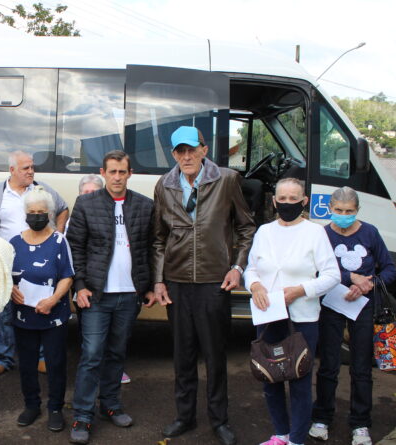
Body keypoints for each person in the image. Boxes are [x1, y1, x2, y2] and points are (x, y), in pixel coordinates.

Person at [152, 126, 255, 445]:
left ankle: (219, 420)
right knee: (182, 356)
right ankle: (184, 416)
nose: (186, 156)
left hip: (215, 282)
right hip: (178, 282)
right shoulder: (164, 185)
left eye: (191, 150)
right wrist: (158, 280)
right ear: (173, 154)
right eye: (179, 151)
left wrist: (237, 266)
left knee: (214, 355)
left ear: (204, 149)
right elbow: (158, 238)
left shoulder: (226, 180)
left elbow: (246, 228)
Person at [67, 150, 155, 444]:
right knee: (92, 355)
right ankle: (82, 415)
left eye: (122, 172)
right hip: (96, 294)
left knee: (117, 353)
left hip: (130, 295)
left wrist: (151, 285)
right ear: (103, 173)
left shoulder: (144, 206)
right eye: (112, 172)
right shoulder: (86, 203)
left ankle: (111, 405)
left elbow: (150, 249)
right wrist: (79, 285)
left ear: (130, 174)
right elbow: (75, 246)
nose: (117, 177)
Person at [244, 178, 341, 445]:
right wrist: (254, 285)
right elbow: (251, 267)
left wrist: (301, 290)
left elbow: (332, 275)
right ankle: (280, 433)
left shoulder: (315, 233)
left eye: (293, 198)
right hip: (268, 316)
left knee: (299, 379)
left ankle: (297, 438)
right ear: (274, 201)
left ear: (304, 201)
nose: (287, 203)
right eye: (282, 199)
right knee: (270, 377)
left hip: (302, 318)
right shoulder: (264, 231)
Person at [310, 186, 396, 445]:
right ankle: (322, 418)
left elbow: (390, 269)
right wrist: (350, 279)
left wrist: (367, 284)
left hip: (363, 307)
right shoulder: (322, 234)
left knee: (361, 367)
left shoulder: (370, 233)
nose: (344, 215)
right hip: (331, 305)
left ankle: (360, 424)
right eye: (338, 210)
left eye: (349, 211)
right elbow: (314, 270)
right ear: (330, 209)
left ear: (357, 210)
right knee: (328, 365)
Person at [0, 150, 69, 377]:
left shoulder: (42, 189)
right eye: (25, 168)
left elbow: (63, 209)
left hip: (36, 260)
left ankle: (41, 357)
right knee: (2, 309)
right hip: (5, 261)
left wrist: (56, 235)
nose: (31, 171)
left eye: (32, 167)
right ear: (12, 170)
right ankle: (3, 357)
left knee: (37, 305)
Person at [10, 186, 74, 433]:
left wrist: (54, 299)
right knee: (26, 364)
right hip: (22, 314)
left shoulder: (59, 241)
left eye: (41, 212)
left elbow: (67, 275)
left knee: (56, 363)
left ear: (49, 213)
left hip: (53, 314)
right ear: (26, 213)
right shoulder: (14, 242)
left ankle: (56, 408)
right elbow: (5, 275)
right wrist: (10, 289)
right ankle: (31, 405)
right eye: (32, 211)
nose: (36, 215)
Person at [67, 174, 133, 385]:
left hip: (120, 290)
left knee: (115, 344)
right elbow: (75, 251)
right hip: (90, 288)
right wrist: (80, 285)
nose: (90, 196)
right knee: (92, 345)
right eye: (85, 192)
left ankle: (110, 394)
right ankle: (85, 404)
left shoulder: (118, 212)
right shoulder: (76, 219)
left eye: (94, 192)